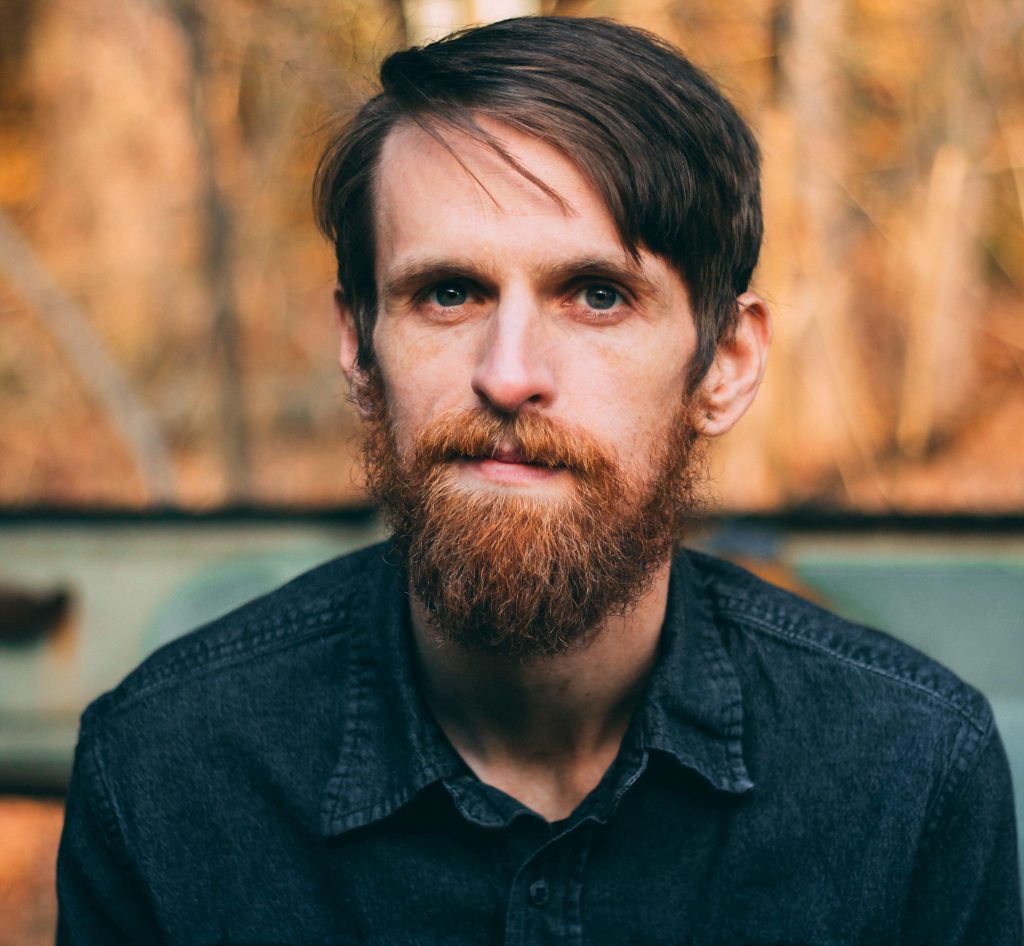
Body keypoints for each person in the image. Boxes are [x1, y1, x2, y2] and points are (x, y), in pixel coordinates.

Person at [56, 16, 1022, 945]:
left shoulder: (913, 774)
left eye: (597, 295)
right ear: (359, 349)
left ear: (725, 364)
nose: (509, 374)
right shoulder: (160, 772)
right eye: (448, 293)